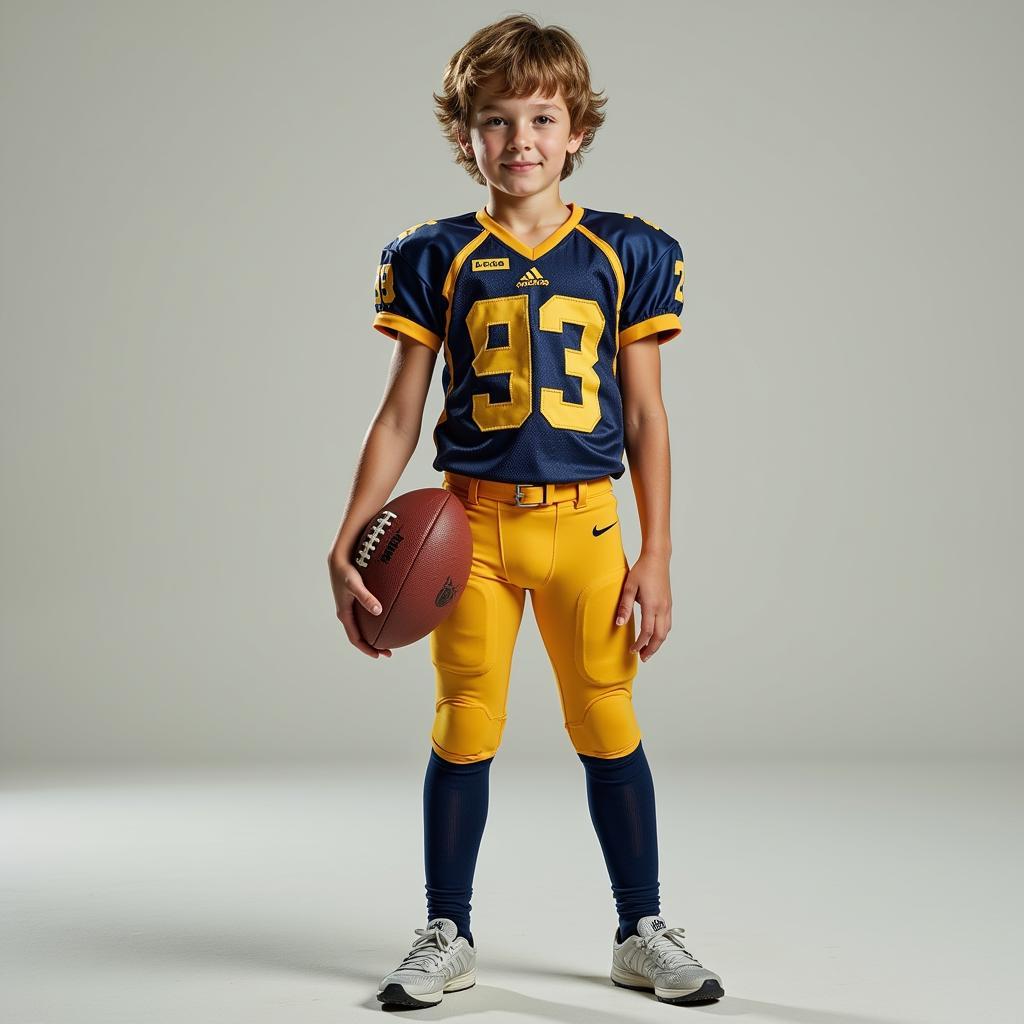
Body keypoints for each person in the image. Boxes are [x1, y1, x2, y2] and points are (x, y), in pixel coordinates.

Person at [327, 13, 725, 1011]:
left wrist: (659, 549)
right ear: (465, 135)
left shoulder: (624, 250)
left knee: (606, 718)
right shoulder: (436, 255)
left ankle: (641, 926)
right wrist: (347, 538)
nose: (520, 141)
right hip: (468, 530)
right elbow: (399, 412)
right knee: (464, 723)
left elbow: (645, 412)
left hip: (586, 526)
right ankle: (445, 928)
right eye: (496, 121)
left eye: (541, 117)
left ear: (576, 128)